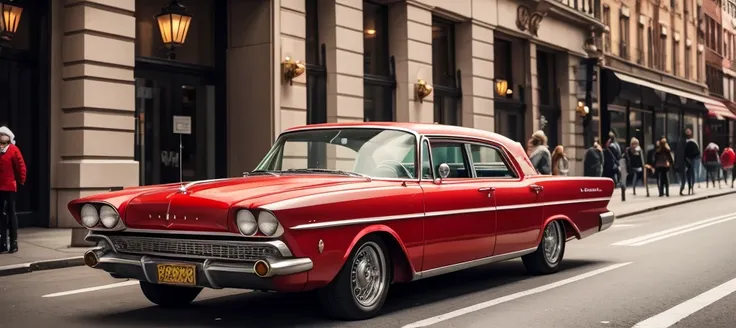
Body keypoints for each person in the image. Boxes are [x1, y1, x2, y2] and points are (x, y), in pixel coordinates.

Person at [0, 126, 26, 253]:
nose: (1, 144)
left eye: (4, 141)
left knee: (11, 214)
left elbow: (21, 165)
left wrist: (21, 180)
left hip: (10, 186)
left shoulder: (13, 150)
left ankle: (13, 242)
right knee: (1, 216)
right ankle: (2, 243)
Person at [603, 131, 624, 200]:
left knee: (612, 175)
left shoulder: (611, 146)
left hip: (612, 163)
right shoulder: (616, 145)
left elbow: (612, 155)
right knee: (615, 175)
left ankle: (615, 185)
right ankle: (617, 185)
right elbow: (619, 155)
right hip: (616, 163)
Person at [678, 129, 700, 195]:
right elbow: (697, 152)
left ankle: (687, 188)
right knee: (692, 174)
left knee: (687, 174)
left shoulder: (682, 141)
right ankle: (691, 188)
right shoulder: (693, 141)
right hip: (692, 159)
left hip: (686, 159)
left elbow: (681, 151)